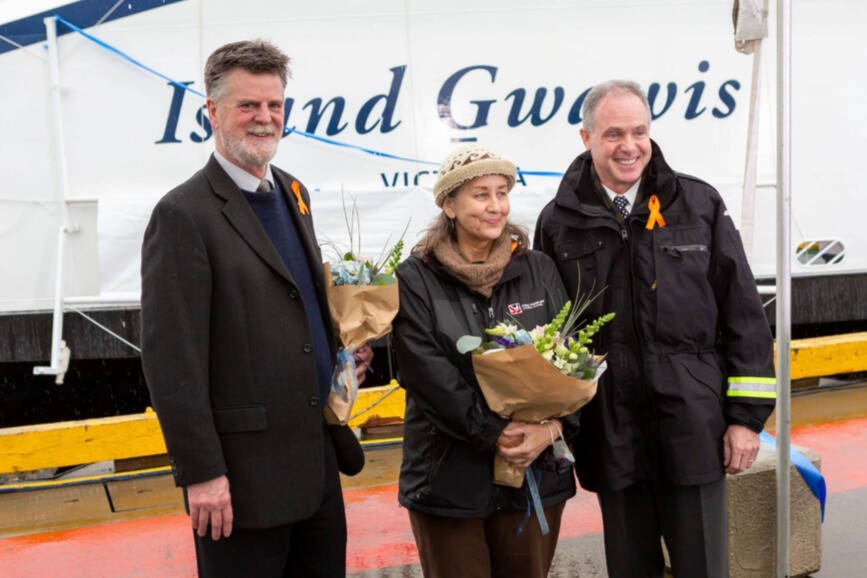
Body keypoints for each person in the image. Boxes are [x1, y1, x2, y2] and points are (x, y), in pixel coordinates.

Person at [534, 79, 777, 577]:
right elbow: (549, 334)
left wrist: (746, 419)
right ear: (586, 138)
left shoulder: (697, 204)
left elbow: (744, 315)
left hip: (695, 427)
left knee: (704, 568)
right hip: (611, 430)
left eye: (639, 131)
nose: (629, 146)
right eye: (613, 134)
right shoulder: (559, 222)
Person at [140, 39, 361, 578]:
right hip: (241, 487)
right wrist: (202, 474)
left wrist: (342, 349)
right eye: (248, 106)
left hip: (316, 472)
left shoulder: (293, 192)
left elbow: (295, 305)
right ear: (212, 112)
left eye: (275, 106)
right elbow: (173, 363)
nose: (265, 119)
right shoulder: (182, 215)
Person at [392, 145, 578, 578]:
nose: (495, 207)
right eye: (480, 194)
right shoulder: (415, 277)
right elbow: (425, 374)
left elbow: (571, 360)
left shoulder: (538, 269)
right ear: (448, 204)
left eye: (501, 192)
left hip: (534, 474)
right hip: (447, 479)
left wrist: (549, 430)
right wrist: (496, 433)